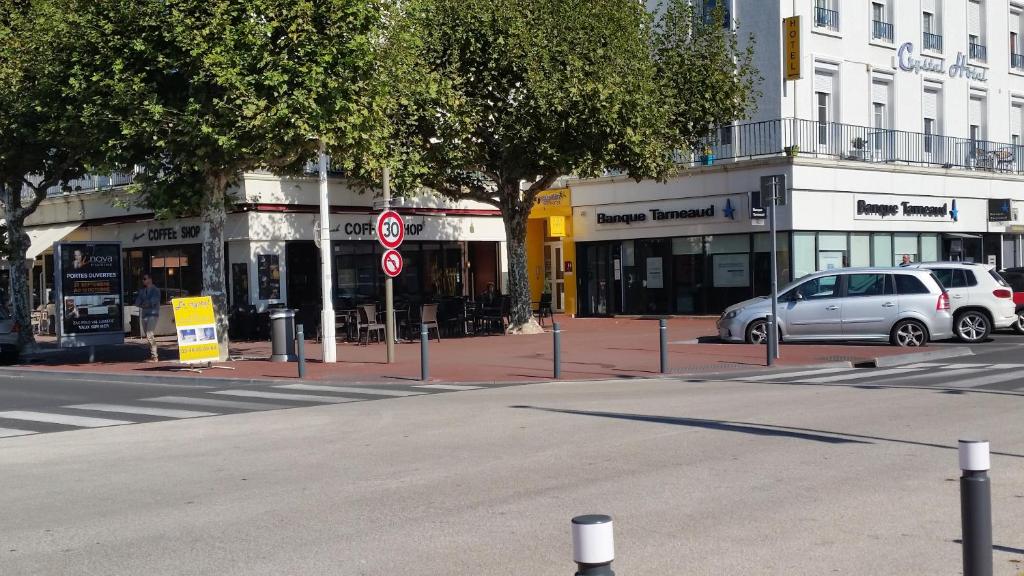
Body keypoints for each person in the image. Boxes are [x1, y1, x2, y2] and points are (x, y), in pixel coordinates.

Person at [135, 274, 161, 362]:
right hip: (144, 315)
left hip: (153, 315)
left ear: (150, 279)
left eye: (144, 279)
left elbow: (152, 302)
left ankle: (155, 356)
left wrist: (144, 303)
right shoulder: (142, 291)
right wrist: (145, 303)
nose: (143, 281)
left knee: (150, 335)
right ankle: (153, 355)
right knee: (148, 335)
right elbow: (137, 303)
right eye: (142, 279)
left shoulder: (156, 290)